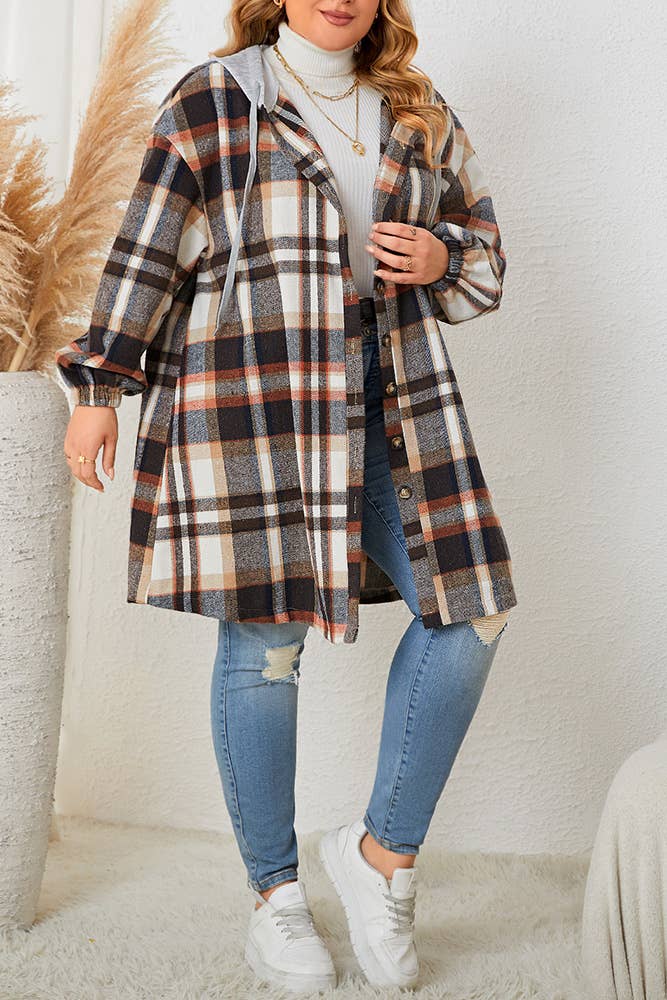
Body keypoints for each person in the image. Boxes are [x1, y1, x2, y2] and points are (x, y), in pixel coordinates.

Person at [54, 0, 518, 992]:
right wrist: (99, 390)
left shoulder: (416, 107)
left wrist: (441, 257)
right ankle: (274, 897)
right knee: (265, 646)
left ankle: (379, 856)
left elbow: (484, 258)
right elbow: (147, 251)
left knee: (471, 611)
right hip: (254, 401)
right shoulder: (215, 100)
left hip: (394, 403)